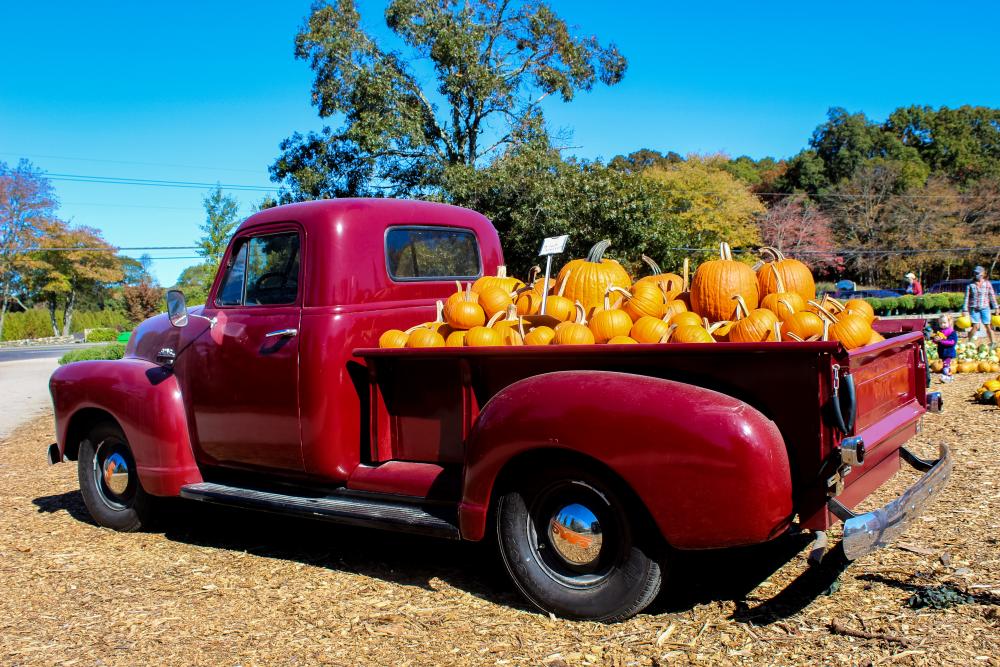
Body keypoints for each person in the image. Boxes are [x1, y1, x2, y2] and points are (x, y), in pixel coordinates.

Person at [962, 266, 999, 345]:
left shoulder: (987, 284)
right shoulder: (970, 285)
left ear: (983, 273)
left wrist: (996, 307)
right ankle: (969, 342)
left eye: (978, 273)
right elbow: (966, 298)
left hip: (985, 308)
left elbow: (992, 296)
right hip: (974, 308)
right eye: (975, 273)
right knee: (976, 326)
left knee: (988, 325)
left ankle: (993, 343)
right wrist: (964, 310)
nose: (976, 274)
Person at [932, 314, 958, 382]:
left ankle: (945, 376)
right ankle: (950, 377)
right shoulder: (940, 332)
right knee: (946, 364)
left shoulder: (952, 332)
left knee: (946, 365)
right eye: (940, 323)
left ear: (949, 322)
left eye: (944, 323)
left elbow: (952, 342)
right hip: (942, 352)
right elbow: (935, 341)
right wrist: (935, 339)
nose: (942, 324)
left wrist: (941, 341)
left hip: (948, 352)